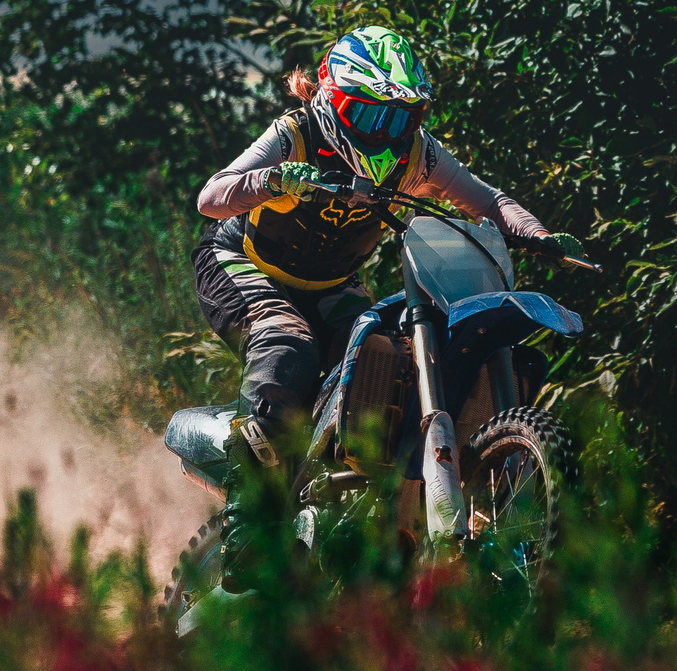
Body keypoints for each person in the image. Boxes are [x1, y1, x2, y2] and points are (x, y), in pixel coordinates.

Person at [193, 26, 586, 459]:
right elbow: (210, 198)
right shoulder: (296, 134)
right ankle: (246, 509)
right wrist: (272, 180)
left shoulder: (420, 154)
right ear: (333, 99)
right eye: (370, 116)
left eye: (400, 118)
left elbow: (487, 200)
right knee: (288, 347)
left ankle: (344, 481)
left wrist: (538, 235)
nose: (385, 134)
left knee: (389, 359)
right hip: (243, 261)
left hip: (332, 284)